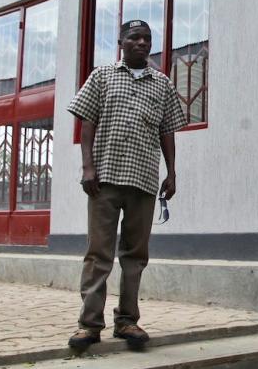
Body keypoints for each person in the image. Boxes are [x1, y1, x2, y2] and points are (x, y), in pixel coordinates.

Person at [66, 19, 187, 350]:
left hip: (144, 180)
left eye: (147, 39)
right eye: (134, 37)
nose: (142, 43)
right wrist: (87, 167)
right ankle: (89, 325)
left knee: (135, 256)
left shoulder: (161, 83)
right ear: (120, 42)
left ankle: (127, 322)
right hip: (104, 180)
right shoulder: (102, 76)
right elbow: (86, 123)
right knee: (99, 254)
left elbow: (167, 131)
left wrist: (172, 172)